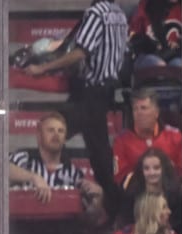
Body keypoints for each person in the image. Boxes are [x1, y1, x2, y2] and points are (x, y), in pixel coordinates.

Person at [22, 0, 127, 219]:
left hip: (90, 91)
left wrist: (43, 67)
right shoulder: (119, 13)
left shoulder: (96, 13)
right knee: (95, 149)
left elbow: (80, 52)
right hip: (102, 91)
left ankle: (58, 180)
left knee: (55, 131)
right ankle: (114, 208)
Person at [112, 88, 182, 186]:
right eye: (135, 109)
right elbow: (120, 177)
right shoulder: (121, 141)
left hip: (171, 194)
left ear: (156, 112)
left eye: (144, 108)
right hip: (136, 196)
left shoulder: (175, 137)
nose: (139, 113)